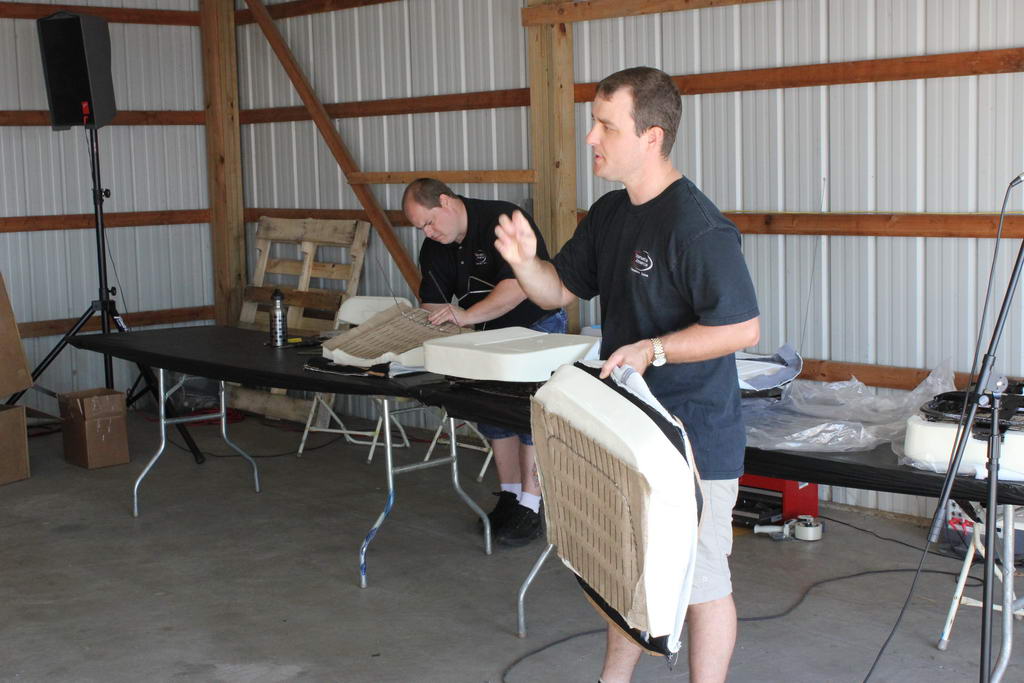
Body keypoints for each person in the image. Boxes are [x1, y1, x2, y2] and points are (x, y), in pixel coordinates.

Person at [494, 67, 760, 682]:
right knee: (625, 575)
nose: (591, 138)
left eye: (606, 126)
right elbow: (558, 290)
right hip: (629, 432)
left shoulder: (698, 226)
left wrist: (654, 350)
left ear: (652, 136)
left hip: (695, 440)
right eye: (594, 123)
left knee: (702, 581)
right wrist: (525, 263)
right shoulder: (612, 213)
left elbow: (742, 328)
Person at [402, 178, 567, 547]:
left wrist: (464, 317)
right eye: (420, 229)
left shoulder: (502, 219)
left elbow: (518, 286)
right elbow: (434, 301)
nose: (427, 233)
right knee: (493, 419)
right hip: (485, 337)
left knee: (528, 419)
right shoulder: (435, 247)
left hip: (535, 329)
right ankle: (509, 495)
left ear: (446, 201)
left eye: (429, 222)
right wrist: (446, 318)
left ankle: (533, 503)